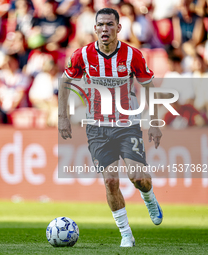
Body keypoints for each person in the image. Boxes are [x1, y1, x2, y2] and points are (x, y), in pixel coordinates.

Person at [58, 8, 163, 247]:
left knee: (138, 177)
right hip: (97, 127)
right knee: (111, 181)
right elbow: (65, 81)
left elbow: (149, 88)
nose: (105, 29)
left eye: (109, 24)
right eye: (101, 25)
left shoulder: (132, 55)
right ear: (95, 29)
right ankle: (126, 234)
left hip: (127, 124)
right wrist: (62, 116)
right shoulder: (82, 55)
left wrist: (155, 123)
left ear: (118, 28)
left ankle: (148, 196)